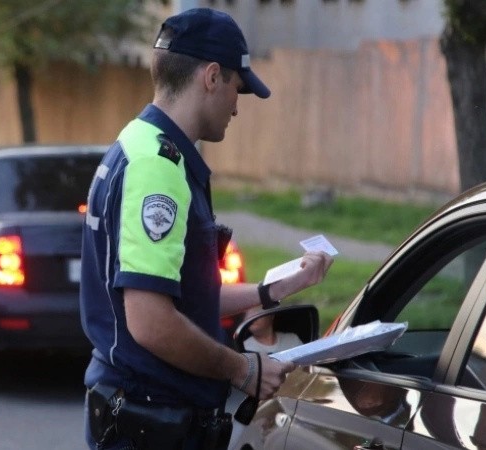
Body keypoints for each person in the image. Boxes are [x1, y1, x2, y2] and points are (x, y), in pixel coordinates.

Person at [79, 8, 333, 449]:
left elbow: (180, 297)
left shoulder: (139, 144)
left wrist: (271, 290)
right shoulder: (157, 170)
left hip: (147, 415)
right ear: (212, 77)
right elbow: (152, 322)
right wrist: (244, 370)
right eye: (238, 87)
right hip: (152, 423)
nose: (238, 105)